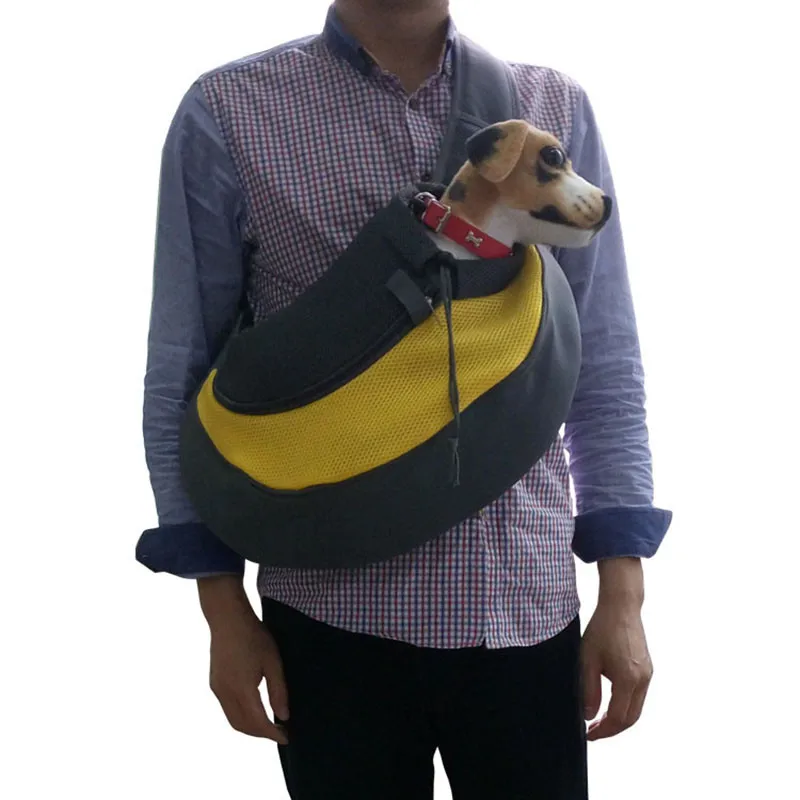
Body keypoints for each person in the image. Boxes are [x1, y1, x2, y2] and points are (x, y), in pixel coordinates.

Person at [136, 1, 672, 797]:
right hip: (327, 617)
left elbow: (602, 363)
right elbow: (184, 370)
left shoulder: (551, 107)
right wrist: (221, 606)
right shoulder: (231, 112)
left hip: (521, 606)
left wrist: (623, 595)